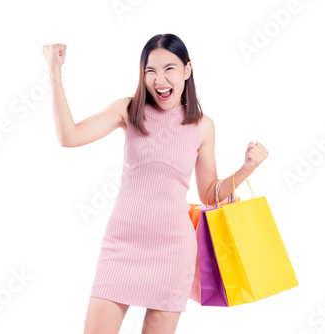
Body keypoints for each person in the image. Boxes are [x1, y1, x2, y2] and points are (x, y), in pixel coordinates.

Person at [42, 33, 268, 334]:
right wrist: (55, 74)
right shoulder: (129, 110)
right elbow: (69, 137)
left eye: (169, 69)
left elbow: (210, 193)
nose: (159, 80)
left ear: (187, 71)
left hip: (173, 250)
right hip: (121, 244)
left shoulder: (203, 126)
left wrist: (246, 169)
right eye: (150, 71)